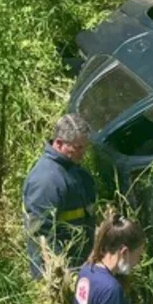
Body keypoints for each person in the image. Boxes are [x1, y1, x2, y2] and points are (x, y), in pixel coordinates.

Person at [22, 114, 96, 280]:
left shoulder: (73, 171)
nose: (83, 153)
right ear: (59, 143)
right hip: (60, 274)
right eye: (77, 147)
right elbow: (42, 237)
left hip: (79, 264)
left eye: (85, 147)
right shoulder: (46, 180)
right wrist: (60, 276)